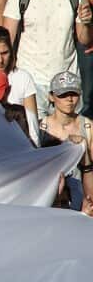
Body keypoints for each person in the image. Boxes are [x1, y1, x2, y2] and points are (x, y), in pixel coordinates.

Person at [4, 0, 92, 92]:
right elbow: (7, 39)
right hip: (31, 83)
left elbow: (84, 39)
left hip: (67, 82)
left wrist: (88, 23)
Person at [37, 72, 93, 209]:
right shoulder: (41, 127)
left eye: (73, 94)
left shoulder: (89, 126)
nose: (69, 99)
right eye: (62, 95)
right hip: (49, 193)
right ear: (51, 97)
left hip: (81, 192)